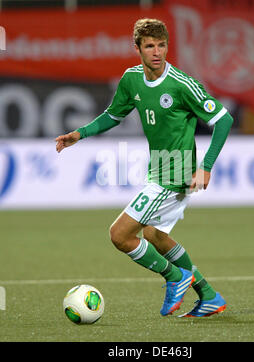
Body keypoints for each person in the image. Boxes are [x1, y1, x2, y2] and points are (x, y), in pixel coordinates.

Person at [56, 18, 233, 317]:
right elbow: (113, 115)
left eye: (161, 45)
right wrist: (80, 134)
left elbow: (224, 119)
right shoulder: (132, 79)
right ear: (137, 48)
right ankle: (208, 295)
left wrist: (206, 166)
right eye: (149, 45)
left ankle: (175, 278)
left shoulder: (181, 84)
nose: (157, 52)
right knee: (155, 235)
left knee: (120, 235)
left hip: (175, 174)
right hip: (158, 170)